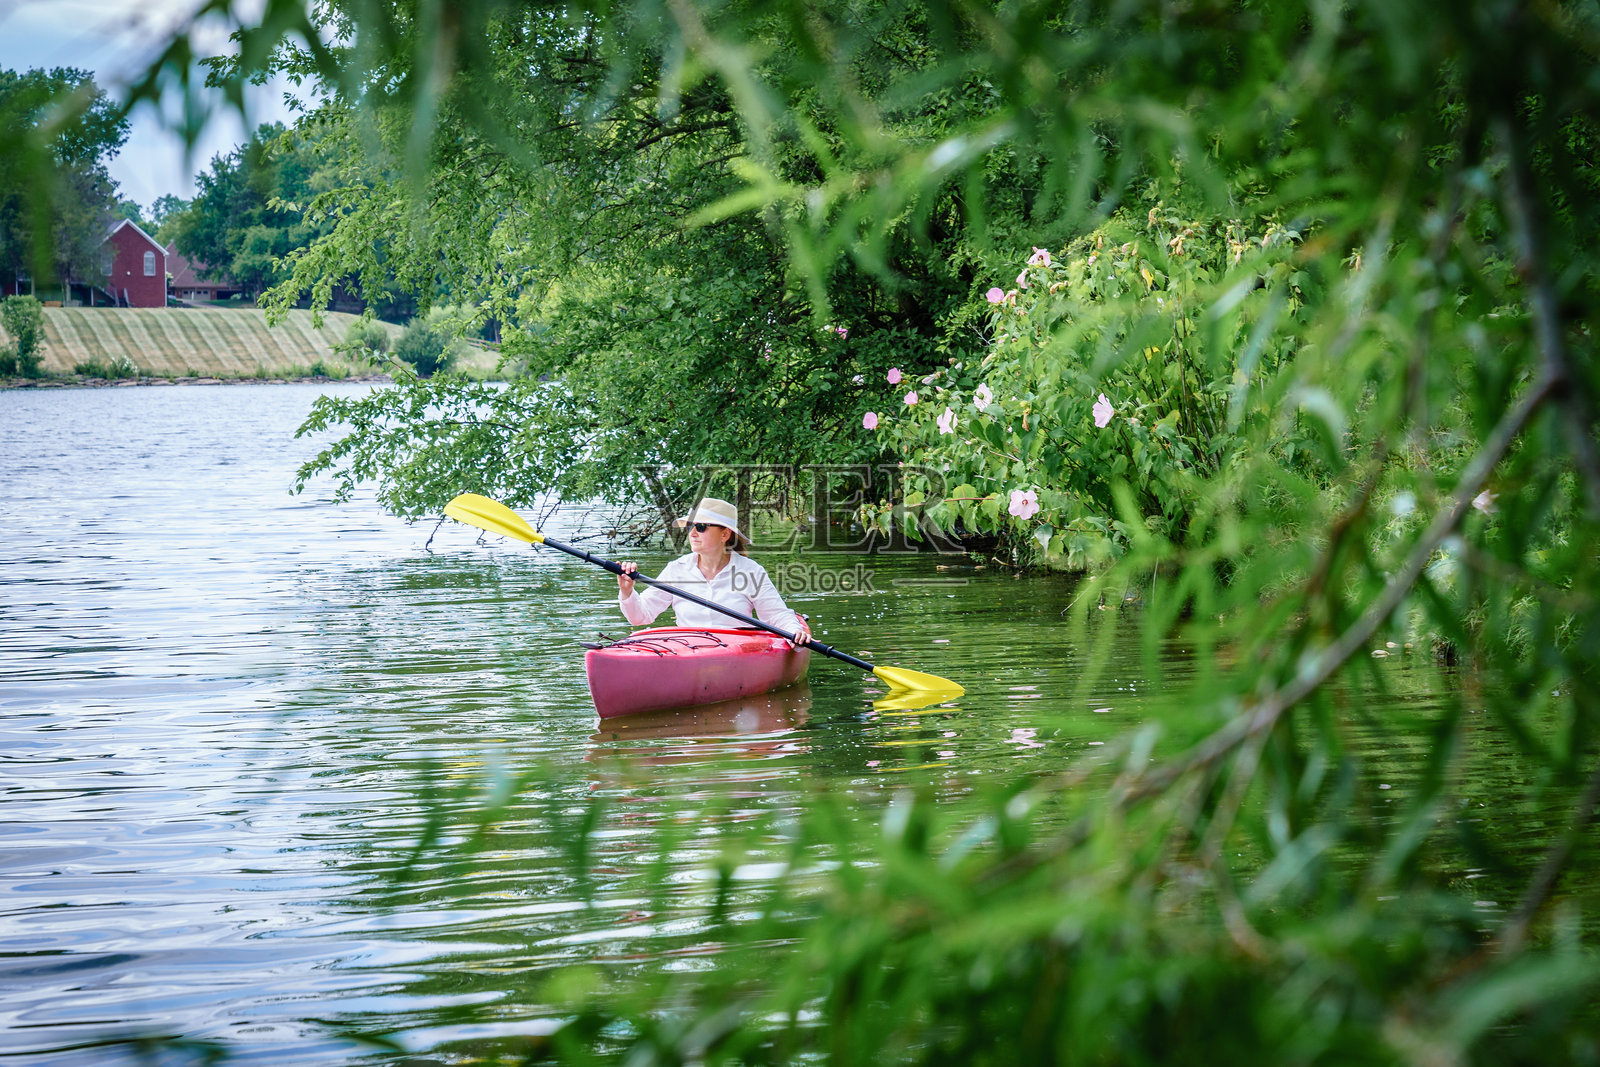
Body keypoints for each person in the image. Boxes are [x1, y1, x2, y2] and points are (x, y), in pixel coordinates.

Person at [616, 497, 811, 645]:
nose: (692, 533)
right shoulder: (676, 570)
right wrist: (627, 591)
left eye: (701, 527)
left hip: (737, 650)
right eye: (691, 526)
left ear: (725, 534)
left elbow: (776, 615)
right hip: (689, 649)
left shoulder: (751, 571)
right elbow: (640, 616)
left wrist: (795, 632)